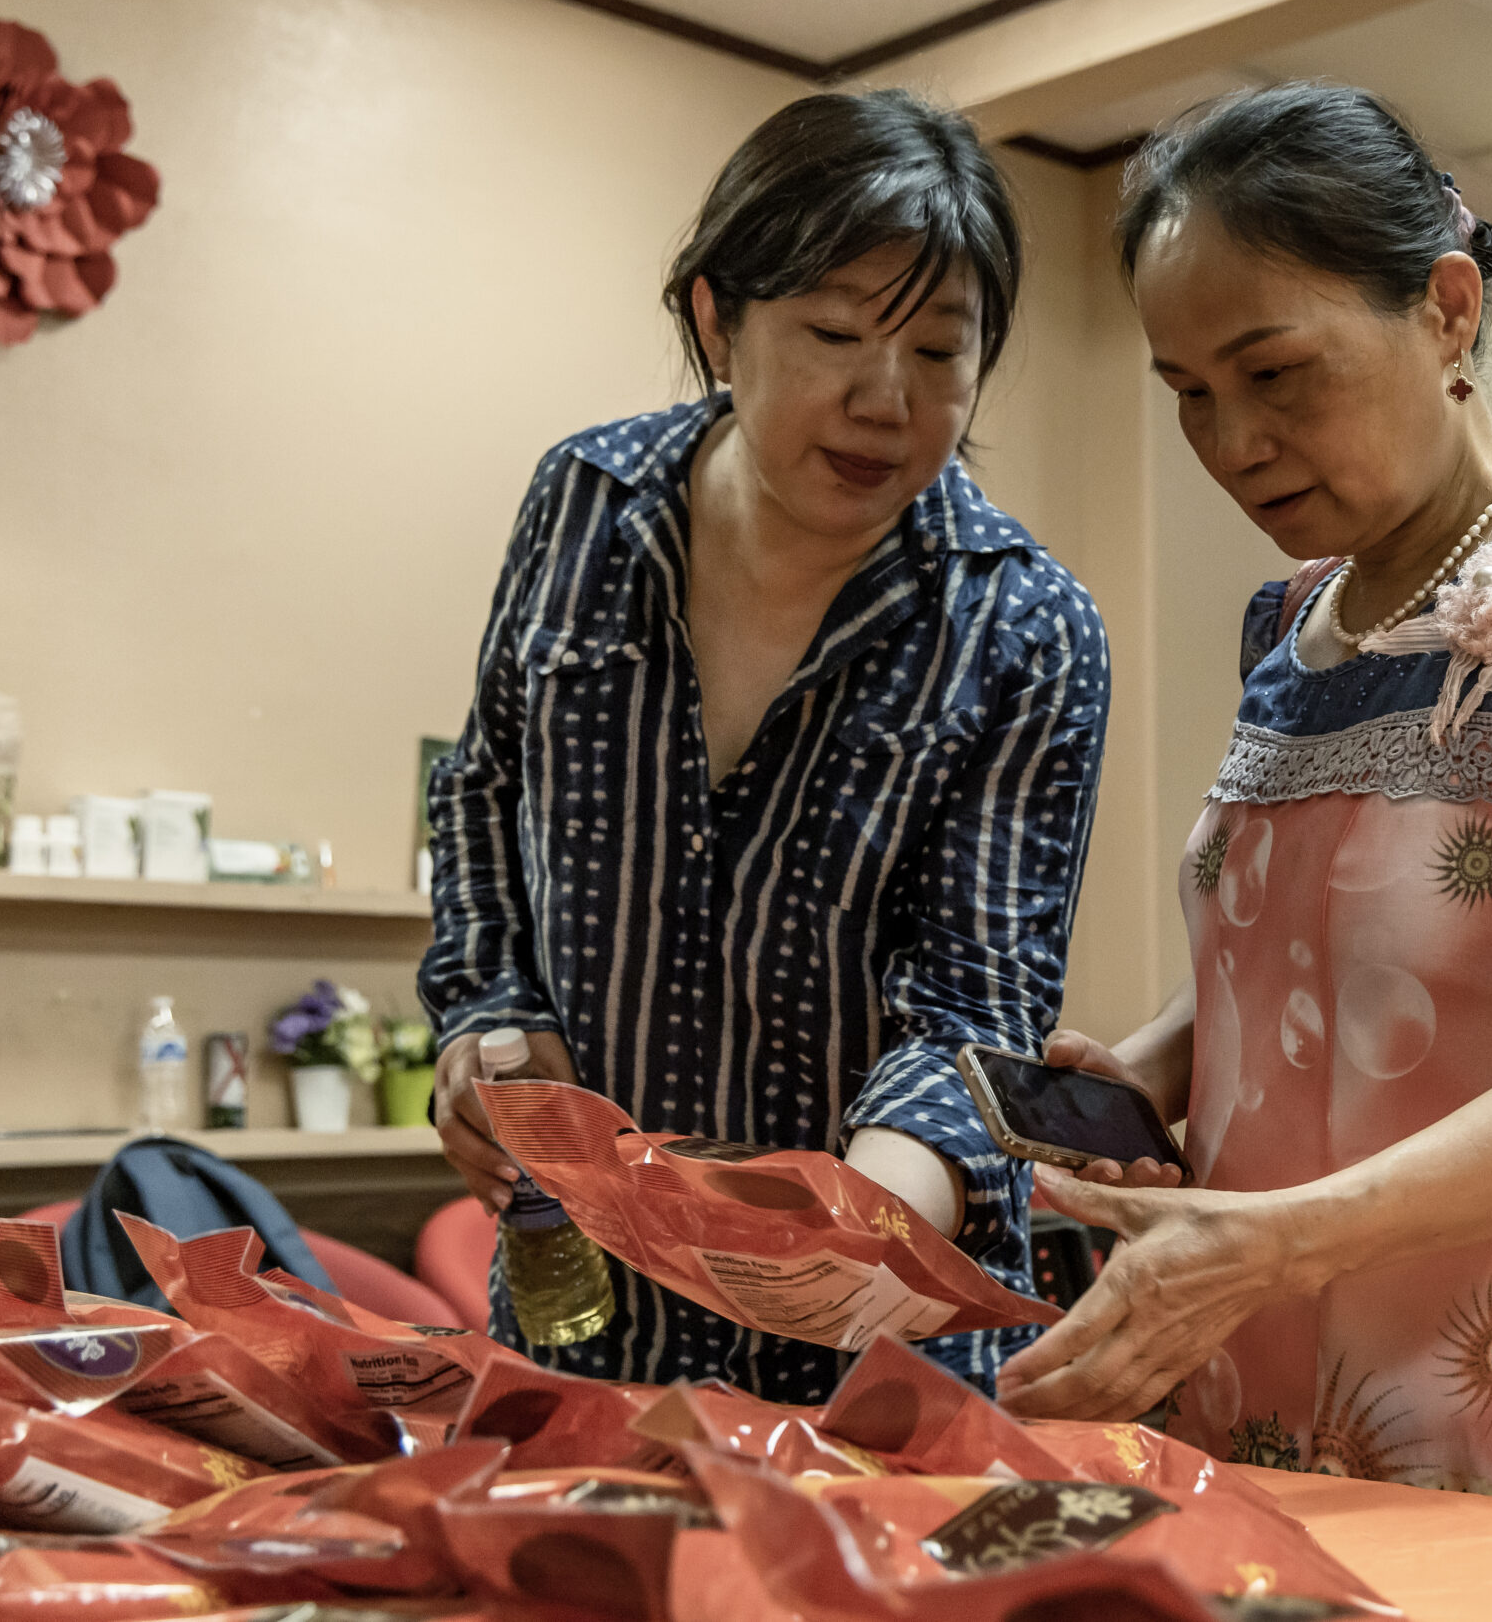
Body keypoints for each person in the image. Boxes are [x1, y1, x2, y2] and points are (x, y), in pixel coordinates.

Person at [995, 83, 1492, 1522]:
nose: (1232, 444)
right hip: (1256, 1338)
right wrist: (1153, 1068)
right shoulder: (1290, 623)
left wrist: (1279, 1239)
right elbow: (1316, 945)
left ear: (1447, 307)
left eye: (1276, 374)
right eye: (1190, 399)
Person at [418, 90, 1109, 1402]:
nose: (883, 401)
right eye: (836, 334)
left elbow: (978, 1008)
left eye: (941, 354)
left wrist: (840, 1232)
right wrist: (485, 1024)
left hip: (873, 1353)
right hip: (587, 1332)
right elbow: (481, 795)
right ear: (716, 318)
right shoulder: (584, 504)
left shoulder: (1024, 626)